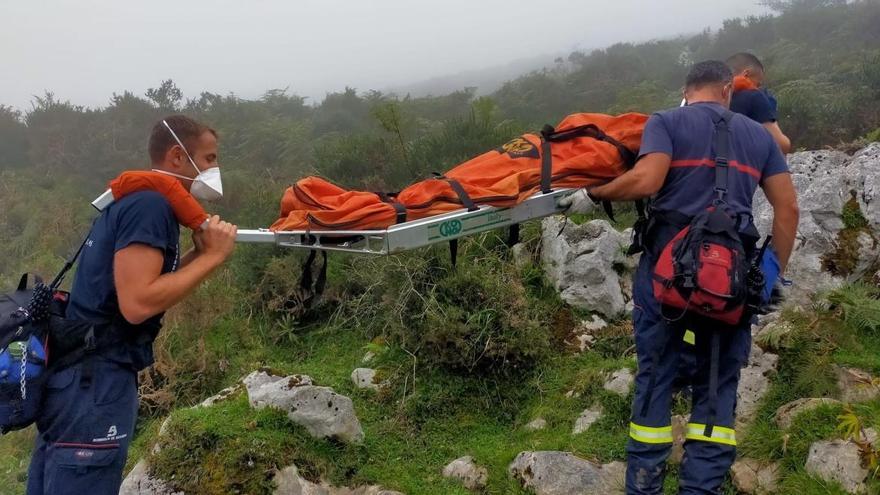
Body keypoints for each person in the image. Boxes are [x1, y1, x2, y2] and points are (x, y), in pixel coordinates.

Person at [560, 60, 798, 493]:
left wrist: (594, 194)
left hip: (665, 279)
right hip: (731, 284)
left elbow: (648, 180)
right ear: (728, 90)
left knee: (656, 374)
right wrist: (770, 272)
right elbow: (788, 209)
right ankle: (702, 486)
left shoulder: (666, 122)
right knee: (717, 381)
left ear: (686, 90)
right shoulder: (758, 137)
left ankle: (645, 484)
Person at [26, 115, 238, 495]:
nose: (214, 168)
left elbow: (138, 284)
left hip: (77, 379)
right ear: (177, 156)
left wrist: (196, 255)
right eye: (209, 158)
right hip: (95, 383)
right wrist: (212, 260)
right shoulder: (151, 205)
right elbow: (137, 304)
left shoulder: (135, 200)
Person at [726, 52, 792, 153]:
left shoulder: (709, 100)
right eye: (758, 83)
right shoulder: (754, 96)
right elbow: (781, 145)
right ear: (746, 74)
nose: (758, 88)